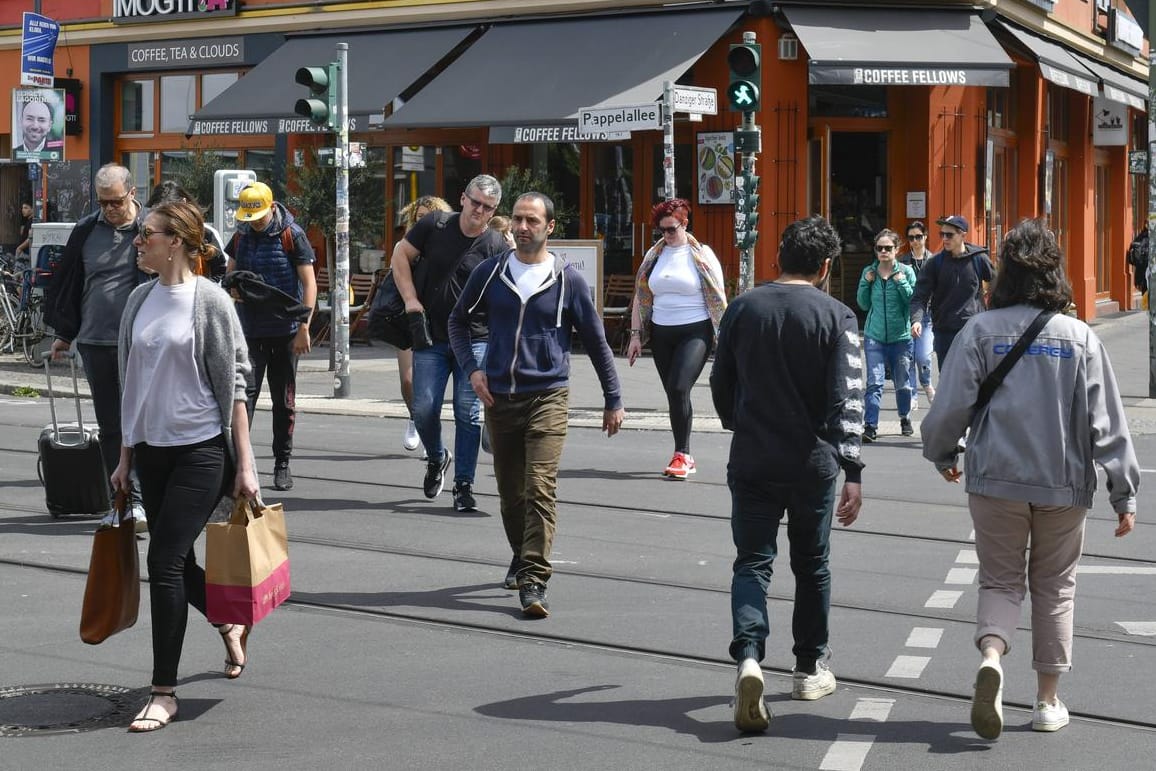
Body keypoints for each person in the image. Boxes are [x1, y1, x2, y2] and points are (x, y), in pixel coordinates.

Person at [920, 218, 1139, 740]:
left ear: (1006, 273)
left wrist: (942, 453)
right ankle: (1046, 702)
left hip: (994, 478)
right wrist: (1123, 491)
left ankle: (992, 656)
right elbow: (1106, 420)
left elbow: (950, 406)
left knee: (999, 580)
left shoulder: (978, 331)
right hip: (1063, 485)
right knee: (1056, 587)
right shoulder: (1079, 336)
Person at [710, 215, 864, 733]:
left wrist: (740, 421)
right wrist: (853, 469)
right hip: (812, 462)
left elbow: (720, 380)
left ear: (778, 256)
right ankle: (807, 666)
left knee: (752, 562)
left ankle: (750, 657)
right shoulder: (838, 316)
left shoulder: (743, 307)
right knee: (812, 564)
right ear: (825, 267)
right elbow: (849, 398)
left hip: (752, 455)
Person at [111, 200, 259, 732]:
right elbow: (131, 384)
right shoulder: (136, 301)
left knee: (164, 560)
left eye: (145, 234)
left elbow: (235, 387)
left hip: (201, 449)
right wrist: (125, 456)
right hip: (152, 450)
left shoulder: (211, 301)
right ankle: (226, 616)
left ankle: (163, 691)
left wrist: (246, 465)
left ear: (175, 241)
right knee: (178, 561)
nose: (137, 241)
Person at [449, 192, 625, 617]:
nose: (522, 227)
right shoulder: (491, 273)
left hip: (548, 394)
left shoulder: (567, 280)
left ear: (549, 227)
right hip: (499, 396)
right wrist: (473, 369)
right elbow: (457, 320)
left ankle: (534, 579)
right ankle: (520, 553)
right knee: (511, 495)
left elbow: (597, 342)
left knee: (540, 488)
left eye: (532, 220)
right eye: (517, 220)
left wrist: (613, 397)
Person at [390, 174, 508, 512]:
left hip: (476, 340)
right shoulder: (435, 225)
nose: (479, 211)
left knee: (467, 414)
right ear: (462, 197)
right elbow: (401, 255)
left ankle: (464, 484)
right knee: (424, 407)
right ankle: (438, 457)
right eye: (475, 202)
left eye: (487, 208)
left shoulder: (497, 245)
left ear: (493, 211)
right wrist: (411, 299)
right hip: (433, 336)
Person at [44, 163, 150, 530]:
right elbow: (73, 282)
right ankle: (125, 502)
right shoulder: (87, 229)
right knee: (111, 425)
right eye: (103, 202)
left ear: (132, 193)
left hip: (141, 343)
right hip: (94, 341)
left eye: (116, 202)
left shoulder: (150, 228)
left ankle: (149, 497)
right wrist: (64, 333)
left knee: (142, 421)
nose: (109, 209)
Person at [226, 181, 317, 492]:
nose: (254, 223)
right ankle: (240, 465)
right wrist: (233, 288)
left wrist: (304, 327)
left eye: (258, 217)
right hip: (249, 332)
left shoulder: (293, 235)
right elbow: (231, 272)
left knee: (284, 402)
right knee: (242, 400)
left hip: (285, 333)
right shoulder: (240, 235)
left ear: (271, 207)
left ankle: (282, 464)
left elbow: (309, 283)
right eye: (249, 217)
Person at [626, 198, 726, 478]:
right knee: (673, 392)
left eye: (671, 229)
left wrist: (724, 336)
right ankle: (680, 453)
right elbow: (641, 296)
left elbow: (719, 297)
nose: (667, 236)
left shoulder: (702, 254)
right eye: (662, 231)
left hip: (695, 330)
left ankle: (683, 454)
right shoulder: (654, 255)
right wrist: (636, 336)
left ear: (685, 223)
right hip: (661, 332)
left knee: (680, 387)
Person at [394, 195, 452, 456]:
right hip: (410, 318)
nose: (423, 223)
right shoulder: (407, 246)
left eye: (428, 218)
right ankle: (414, 417)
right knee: (408, 381)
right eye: (418, 219)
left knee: (430, 388)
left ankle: (429, 433)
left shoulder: (448, 245)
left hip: (439, 323)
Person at [908, 215, 994, 371]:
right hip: (945, 332)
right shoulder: (935, 263)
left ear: (962, 234)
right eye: (942, 234)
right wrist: (916, 320)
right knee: (948, 380)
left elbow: (997, 286)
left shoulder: (979, 259)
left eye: (949, 235)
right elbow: (919, 296)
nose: (945, 239)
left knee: (975, 379)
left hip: (974, 330)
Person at [857, 228, 916, 442]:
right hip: (875, 336)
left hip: (901, 336)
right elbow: (862, 304)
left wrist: (901, 282)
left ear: (897, 249)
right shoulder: (869, 272)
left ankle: (905, 417)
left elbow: (913, 301)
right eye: (879, 248)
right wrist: (866, 282)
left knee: (903, 383)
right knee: (874, 382)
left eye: (888, 248)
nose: (883, 251)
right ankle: (870, 425)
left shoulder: (906, 271)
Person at [145, 181, 228, 282]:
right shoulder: (147, 235)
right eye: (160, 212)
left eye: (170, 213)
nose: (165, 218)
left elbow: (222, 272)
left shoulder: (206, 233)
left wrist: (202, 291)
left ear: (184, 203)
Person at [899, 220, 935, 407]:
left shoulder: (934, 260)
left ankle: (927, 384)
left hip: (927, 315)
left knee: (923, 356)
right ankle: (912, 393)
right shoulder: (902, 262)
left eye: (918, 237)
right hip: (906, 314)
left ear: (925, 237)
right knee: (908, 356)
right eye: (911, 237)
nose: (915, 241)